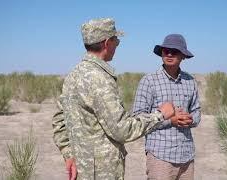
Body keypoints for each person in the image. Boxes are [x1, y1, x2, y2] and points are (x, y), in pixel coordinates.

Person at [52, 18, 178, 180]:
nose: (117, 45)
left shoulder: (73, 74)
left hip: (82, 170)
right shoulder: (100, 79)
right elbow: (121, 129)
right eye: (116, 41)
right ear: (106, 43)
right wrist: (160, 115)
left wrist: (68, 154)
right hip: (103, 172)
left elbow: (59, 121)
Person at [132, 34, 201, 180]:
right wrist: (171, 120)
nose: (169, 54)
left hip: (186, 156)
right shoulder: (148, 81)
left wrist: (189, 119)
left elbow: (197, 111)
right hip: (160, 157)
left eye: (174, 51)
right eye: (166, 50)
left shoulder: (190, 81)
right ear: (161, 53)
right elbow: (137, 118)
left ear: (183, 56)